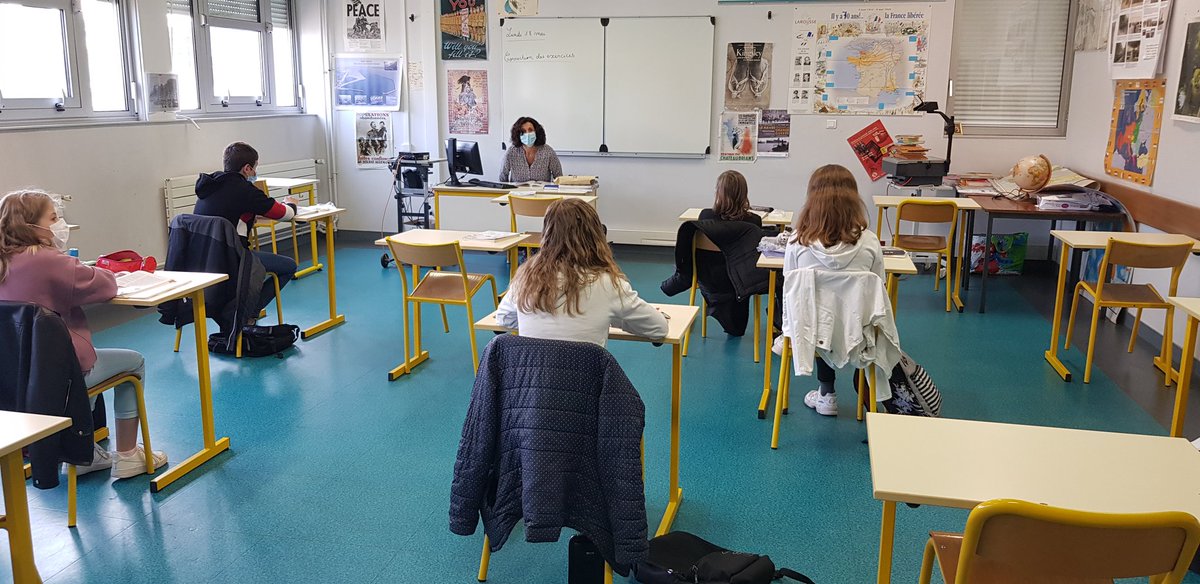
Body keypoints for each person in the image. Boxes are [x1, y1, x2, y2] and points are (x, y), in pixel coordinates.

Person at [0, 190, 167, 478]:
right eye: (53, 218)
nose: (59, 225)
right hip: (60, 375)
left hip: (15, 377)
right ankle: (127, 455)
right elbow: (105, 285)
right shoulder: (48, 260)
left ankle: (82, 450)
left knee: (86, 368)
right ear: (32, 227)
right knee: (133, 362)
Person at [783, 164, 885, 416]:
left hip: (811, 331)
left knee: (813, 314)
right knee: (850, 315)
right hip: (858, 332)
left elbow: (790, 288)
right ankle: (866, 401)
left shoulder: (797, 242)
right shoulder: (870, 241)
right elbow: (878, 287)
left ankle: (826, 392)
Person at [496, 198, 667, 346]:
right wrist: (610, 319)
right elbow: (658, 328)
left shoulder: (526, 278)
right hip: (585, 383)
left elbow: (504, 318)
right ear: (596, 236)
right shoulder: (608, 284)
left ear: (547, 234)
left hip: (531, 382)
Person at [194, 142, 298, 315]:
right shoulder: (245, 190)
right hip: (232, 259)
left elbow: (228, 212)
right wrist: (291, 204)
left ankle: (239, 311)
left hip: (204, 259)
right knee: (288, 266)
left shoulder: (209, 186)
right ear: (247, 168)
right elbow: (284, 214)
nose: (255, 173)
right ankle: (246, 313)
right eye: (255, 168)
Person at [498, 116, 564, 184]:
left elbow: (559, 178)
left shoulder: (548, 152)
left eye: (530, 130)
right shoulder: (511, 152)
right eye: (523, 131)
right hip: (517, 193)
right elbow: (502, 178)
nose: (527, 134)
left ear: (536, 132)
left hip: (542, 193)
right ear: (518, 134)